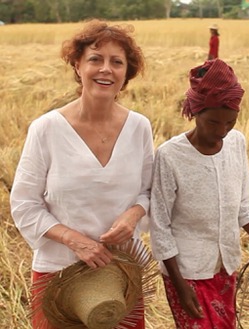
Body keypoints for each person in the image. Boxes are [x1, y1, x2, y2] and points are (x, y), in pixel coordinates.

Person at [10, 19, 153, 329]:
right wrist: (75, 241)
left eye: (117, 62)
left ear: (127, 72)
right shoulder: (46, 129)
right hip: (61, 276)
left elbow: (149, 191)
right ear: (77, 65)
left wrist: (134, 214)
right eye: (95, 59)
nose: (106, 69)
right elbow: (24, 204)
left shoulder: (140, 127)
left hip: (120, 275)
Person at [149, 58, 249, 329]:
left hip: (226, 266)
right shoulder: (170, 156)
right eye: (213, 122)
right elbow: (159, 226)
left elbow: (242, 201)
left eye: (230, 122)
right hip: (186, 272)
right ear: (194, 111)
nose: (221, 132)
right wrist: (180, 287)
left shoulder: (236, 143)